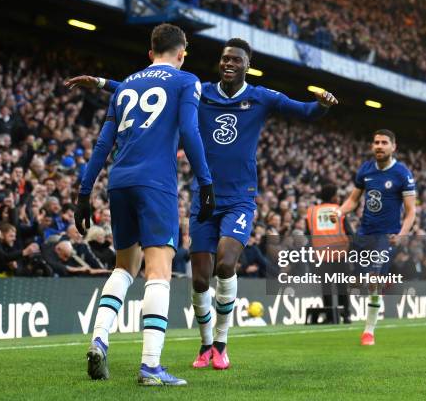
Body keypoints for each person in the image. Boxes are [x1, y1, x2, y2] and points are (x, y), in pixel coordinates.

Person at [65, 37, 337, 370]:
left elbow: (304, 111)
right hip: (203, 197)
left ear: (247, 65)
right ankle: (206, 344)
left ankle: (221, 343)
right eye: (225, 59)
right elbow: (155, 92)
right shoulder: (201, 90)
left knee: (225, 264)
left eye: (236, 60)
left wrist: (322, 103)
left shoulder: (261, 97)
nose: (229, 64)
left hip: (239, 198)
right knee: (199, 280)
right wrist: (104, 83)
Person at [74, 23, 215, 385]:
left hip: (119, 182)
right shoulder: (187, 81)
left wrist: (84, 192)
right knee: (158, 271)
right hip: (156, 183)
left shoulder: (126, 87)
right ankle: (151, 365)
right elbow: (189, 131)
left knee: (124, 267)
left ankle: (99, 340)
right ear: (182, 52)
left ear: (150, 52)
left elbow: (103, 144)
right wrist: (205, 181)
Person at [330, 129, 416, 345]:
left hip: (385, 237)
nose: (379, 145)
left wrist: (402, 234)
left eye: (384, 142)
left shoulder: (402, 174)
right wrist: (340, 212)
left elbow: (411, 211)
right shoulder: (366, 170)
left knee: (373, 280)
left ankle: (369, 331)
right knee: (360, 281)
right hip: (364, 233)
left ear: (393, 147)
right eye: (376, 142)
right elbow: (353, 199)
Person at [306, 183, 352, 324]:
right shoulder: (338, 210)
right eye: (337, 195)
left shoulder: (312, 212)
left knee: (326, 286)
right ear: (333, 197)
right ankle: (346, 315)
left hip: (321, 255)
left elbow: (308, 234)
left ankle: (330, 315)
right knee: (342, 286)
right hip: (340, 254)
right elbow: (350, 232)